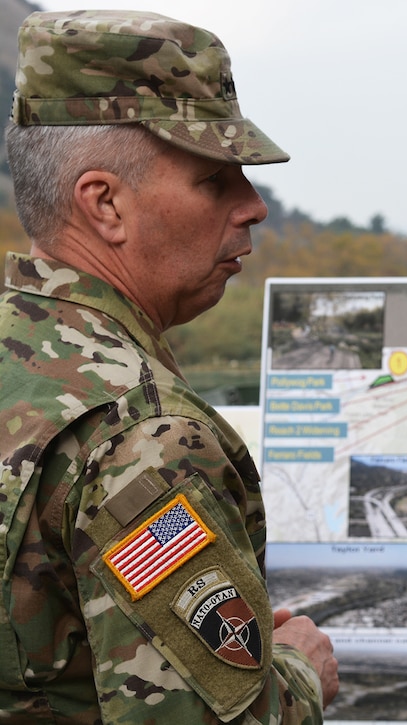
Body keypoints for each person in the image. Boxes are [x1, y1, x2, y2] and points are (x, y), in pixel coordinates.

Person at [0, 10, 338, 722]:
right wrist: (298, 673)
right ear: (106, 204)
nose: (254, 207)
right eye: (216, 182)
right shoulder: (142, 435)